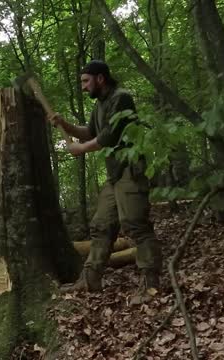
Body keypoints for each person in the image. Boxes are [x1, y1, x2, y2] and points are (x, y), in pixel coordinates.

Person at [49, 60, 162, 300]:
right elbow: (90, 132)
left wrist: (81, 149)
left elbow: (109, 136)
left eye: (85, 81)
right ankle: (89, 281)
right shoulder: (99, 106)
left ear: (100, 78)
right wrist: (65, 125)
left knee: (135, 225)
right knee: (101, 226)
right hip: (114, 174)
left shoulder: (121, 98)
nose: (83, 87)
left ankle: (152, 284)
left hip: (130, 170)